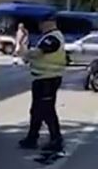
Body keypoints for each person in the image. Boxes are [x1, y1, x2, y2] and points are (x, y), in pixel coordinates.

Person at [18, 13, 66, 155]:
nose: (40, 26)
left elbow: (39, 53)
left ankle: (56, 139)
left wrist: (25, 53)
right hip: (42, 79)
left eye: (41, 23)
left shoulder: (53, 38)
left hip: (48, 80)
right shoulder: (49, 36)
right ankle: (32, 138)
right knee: (36, 110)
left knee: (47, 110)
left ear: (49, 23)